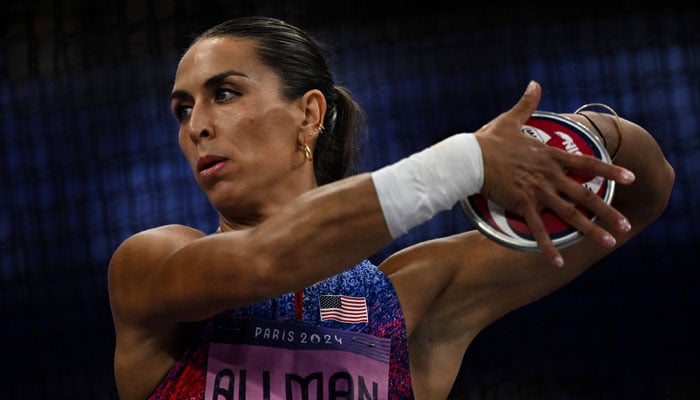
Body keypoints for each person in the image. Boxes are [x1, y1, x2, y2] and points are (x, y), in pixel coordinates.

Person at [107, 16, 674, 400]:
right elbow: (265, 262)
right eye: (183, 110)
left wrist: (581, 137)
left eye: (223, 93)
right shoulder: (153, 268)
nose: (197, 125)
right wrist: (468, 160)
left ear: (308, 115)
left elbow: (643, 192)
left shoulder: (408, 302)